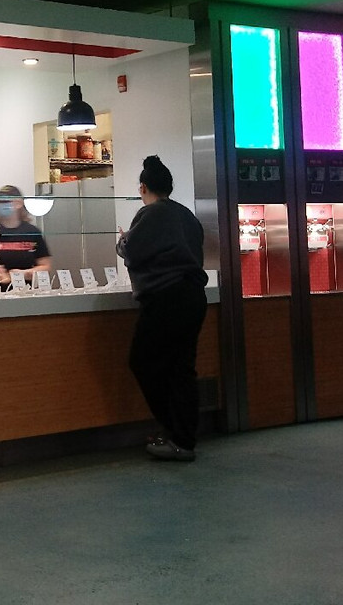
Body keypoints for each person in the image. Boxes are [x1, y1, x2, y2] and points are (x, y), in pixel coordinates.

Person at [116, 155, 208, 461]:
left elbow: (132, 251)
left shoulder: (150, 214)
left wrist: (122, 241)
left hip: (165, 298)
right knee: (182, 368)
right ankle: (184, 438)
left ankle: (174, 432)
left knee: (143, 362)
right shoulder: (186, 215)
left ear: (143, 187)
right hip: (193, 296)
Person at [0, 185, 51, 288]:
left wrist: (22, 274)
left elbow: (46, 267)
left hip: (25, 292)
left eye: (5, 201)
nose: (1, 205)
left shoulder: (32, 232)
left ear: (18, 203)